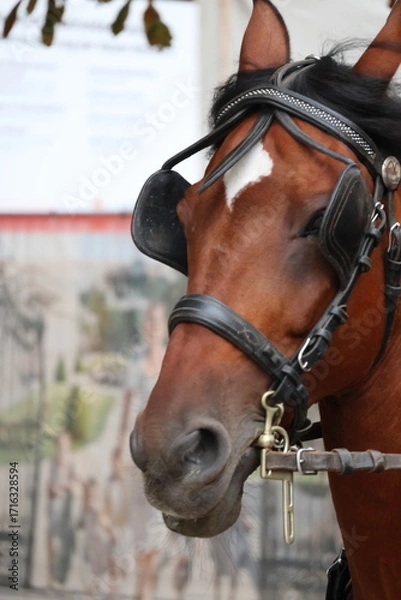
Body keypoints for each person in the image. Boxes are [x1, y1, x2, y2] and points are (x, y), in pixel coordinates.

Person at [47, 430, 77, 588]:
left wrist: (61, 488)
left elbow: (73, 483)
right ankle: (51, 577)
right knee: (52, 539)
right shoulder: (54, 460)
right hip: (54, 503)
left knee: (63, 542)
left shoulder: (71, 460)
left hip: (65, 505)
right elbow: (49, 483)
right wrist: (52, 488)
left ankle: (61, 577)